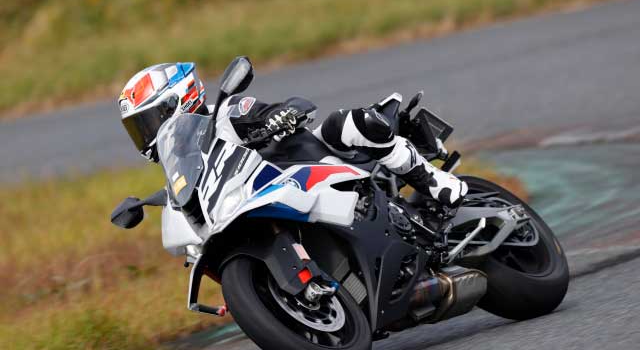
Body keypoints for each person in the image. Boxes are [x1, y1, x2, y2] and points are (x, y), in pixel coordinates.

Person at [118, 62, 467, 208]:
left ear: (179, 99)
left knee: (343, 124)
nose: (148, 134)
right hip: (265, 205)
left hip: (307, 171)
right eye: (139, 129)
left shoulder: (226, 113)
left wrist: (279, 117)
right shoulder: (184, 167)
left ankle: (432, 179)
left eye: (149, 121)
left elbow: (286, 108)